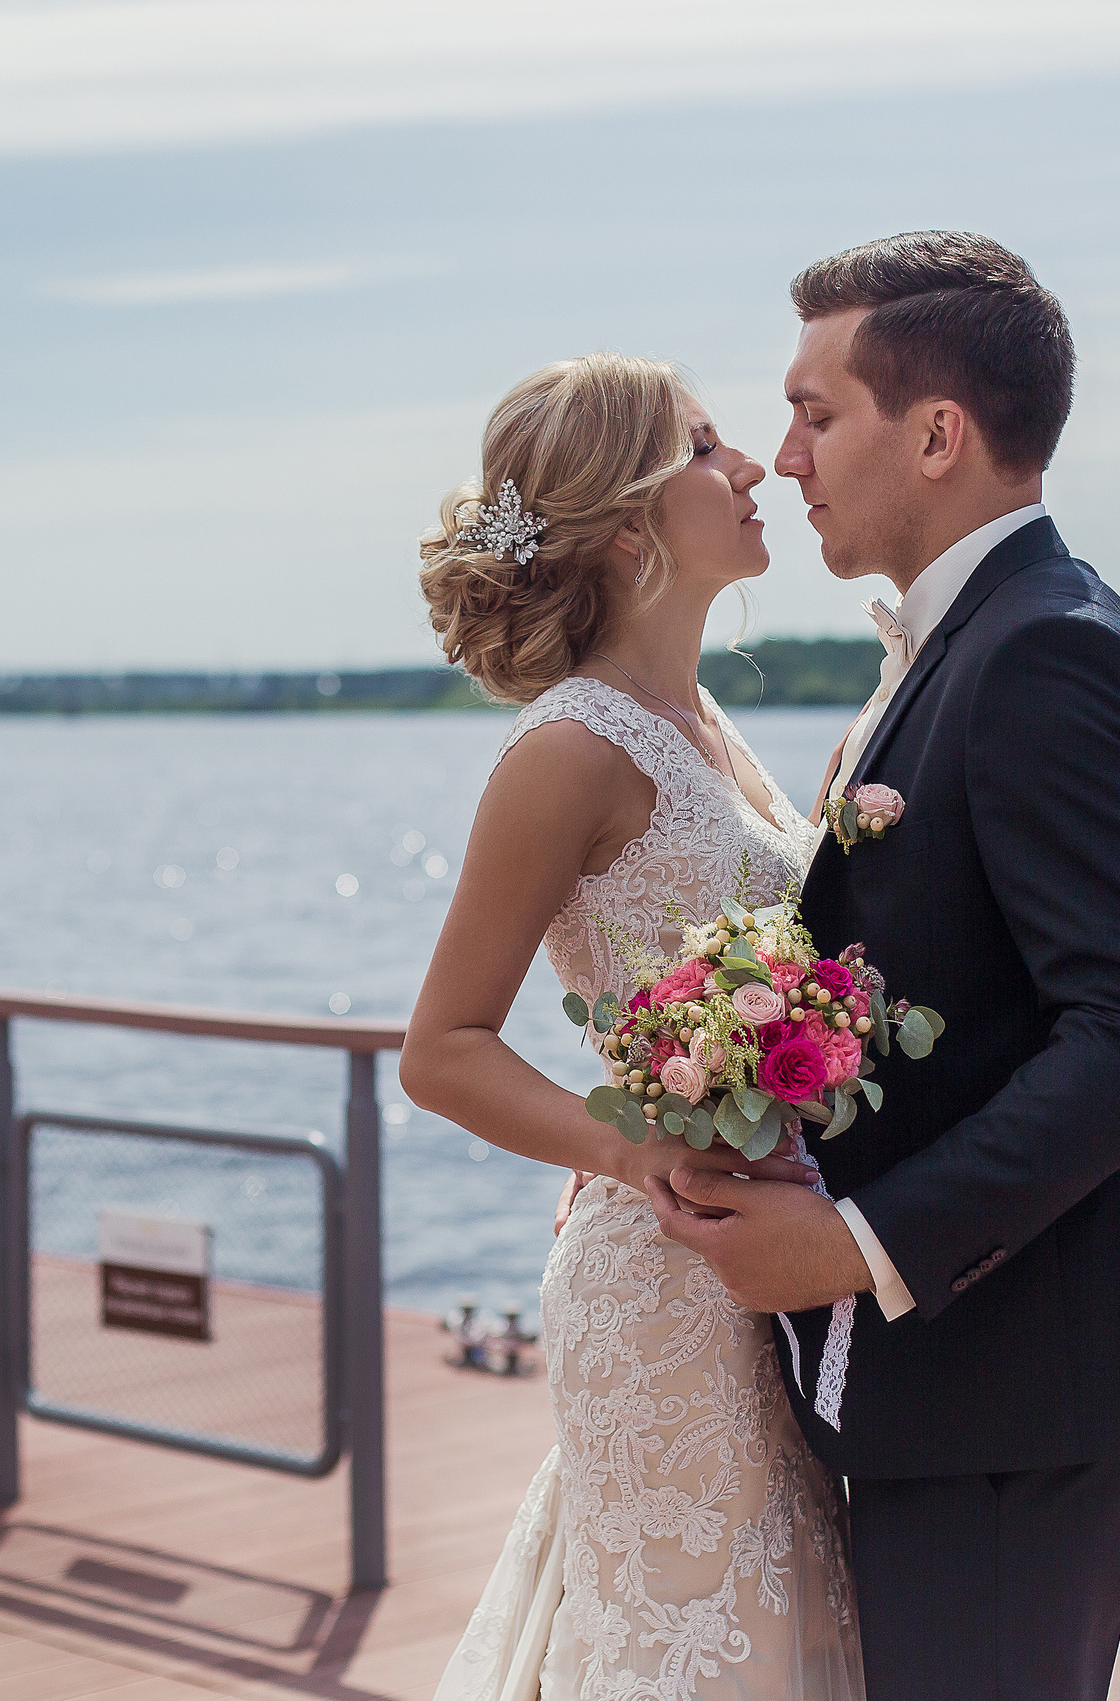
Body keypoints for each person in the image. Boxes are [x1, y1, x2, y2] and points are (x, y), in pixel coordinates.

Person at [648, 231, 1120, 1700]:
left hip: (1024, 1382)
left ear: (937, 435)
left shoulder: (1049, 652)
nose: (785, 456)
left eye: (815, 411)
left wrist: (859, 1249)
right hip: (980, 1377)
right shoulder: (967, 638)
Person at [403, 353, 865, 1701]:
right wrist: (629, 1155)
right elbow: (443, 1051)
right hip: (659, 1281)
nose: (757, 466)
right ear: (624, 525)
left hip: (758, 1264)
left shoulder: (704, 727)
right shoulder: (571, 750)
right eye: (708, 446)